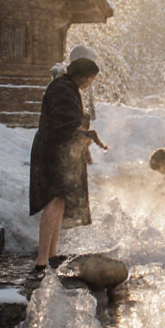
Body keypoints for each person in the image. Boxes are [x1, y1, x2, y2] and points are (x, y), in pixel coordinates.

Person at [30, 45, 107, 270]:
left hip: (60, 151)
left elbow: (72, 124)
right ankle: (42, 259)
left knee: (60, 201)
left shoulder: (67, 87)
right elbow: (64, 124)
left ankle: (52, 254)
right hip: (52, 153)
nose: (88, 84)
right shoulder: (62, 90)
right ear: (81, 76)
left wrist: (84, 143)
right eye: (89, 80)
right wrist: (85, 136)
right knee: (53, 201)